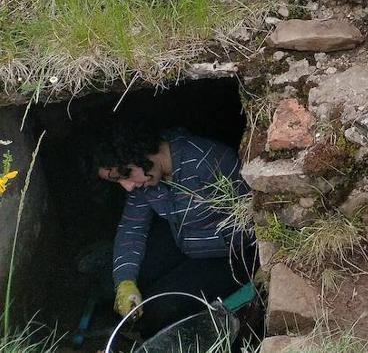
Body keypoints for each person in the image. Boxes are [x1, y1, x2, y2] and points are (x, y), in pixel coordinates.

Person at [93, 122, 256, 338]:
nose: (128, 186)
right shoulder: (146, 179)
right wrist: (125, 280)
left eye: (125, 174)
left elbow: (256, 223)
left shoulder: (208, 162)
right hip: (183, 239)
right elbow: (132, 228)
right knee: (109, 285)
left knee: (155, 310)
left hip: (228, 255)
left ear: (142, 154)